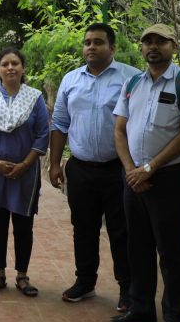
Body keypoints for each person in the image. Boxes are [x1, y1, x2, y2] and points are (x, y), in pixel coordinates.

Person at [111, 23, 180, 322]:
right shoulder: (133, 83)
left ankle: (175, 318)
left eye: (161, 42)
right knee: (136, 246)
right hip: (133, 178)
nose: (153, 47)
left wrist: (150, 168)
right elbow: (120, 129)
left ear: (173, 46)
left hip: (167, 179)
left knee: (171, 249)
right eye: (147, 41)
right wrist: (130, 170)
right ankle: (141, 308)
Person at [48, 22, 138, 306]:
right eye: (87, 42)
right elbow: (60, 124)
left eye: (98, 42)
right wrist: (54, 164)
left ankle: (127, 289)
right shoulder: (71, 80)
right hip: (81, 168)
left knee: (120, 230)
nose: (91, 47)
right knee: (83, 227)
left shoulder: (132, 79)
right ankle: (85, 281)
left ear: (112, 47)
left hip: (118, 169)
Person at [0, 47, 49, 296]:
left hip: (25, 172)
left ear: (23, 68)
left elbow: (42, 134)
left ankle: (22, 275)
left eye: (15, 63)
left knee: (24, 224)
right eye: (5, 64)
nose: (10, 68)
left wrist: (25, 164)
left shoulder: (35, 97)